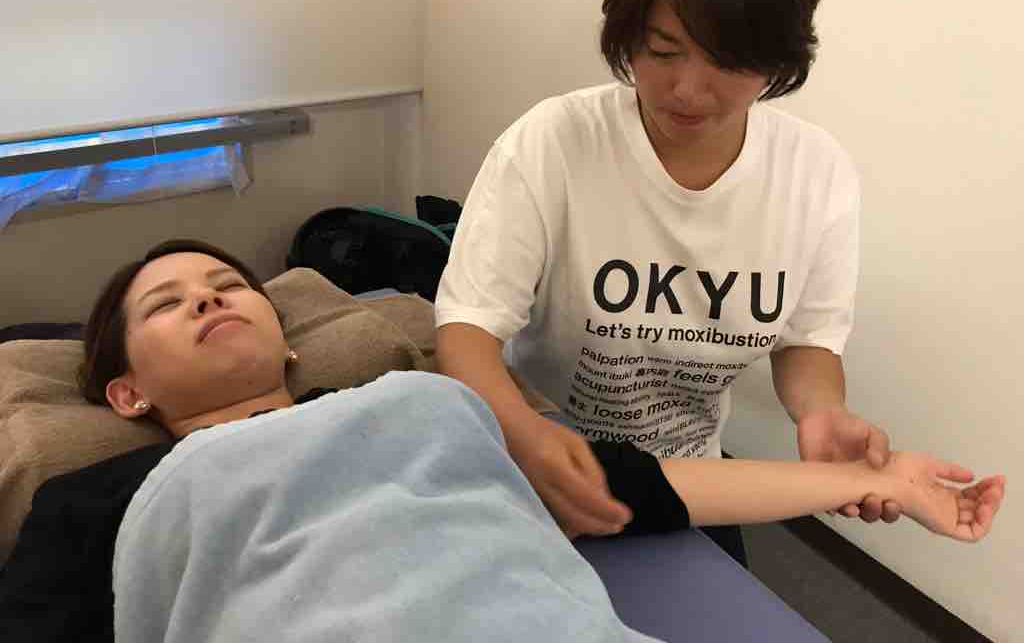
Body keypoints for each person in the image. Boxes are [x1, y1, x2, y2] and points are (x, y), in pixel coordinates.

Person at [0, 240, 1005, 643]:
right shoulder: (93, 502)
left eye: (228, 285)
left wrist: (875, 481)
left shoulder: (412, 405)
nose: (209, 299)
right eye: (167, 304)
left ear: (288, 342)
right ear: (126, 391)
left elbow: (647, 487)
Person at [434, 0, 906, 563]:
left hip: (689, 481)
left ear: (778, 60)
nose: (687, 89)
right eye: (662, 51)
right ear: (628, 32)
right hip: (536, 462)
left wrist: (821, 412)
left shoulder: (815, 173)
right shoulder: (552, 144)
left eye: (729, 63)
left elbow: (807, 343)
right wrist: (524, 434)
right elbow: (466, 330)